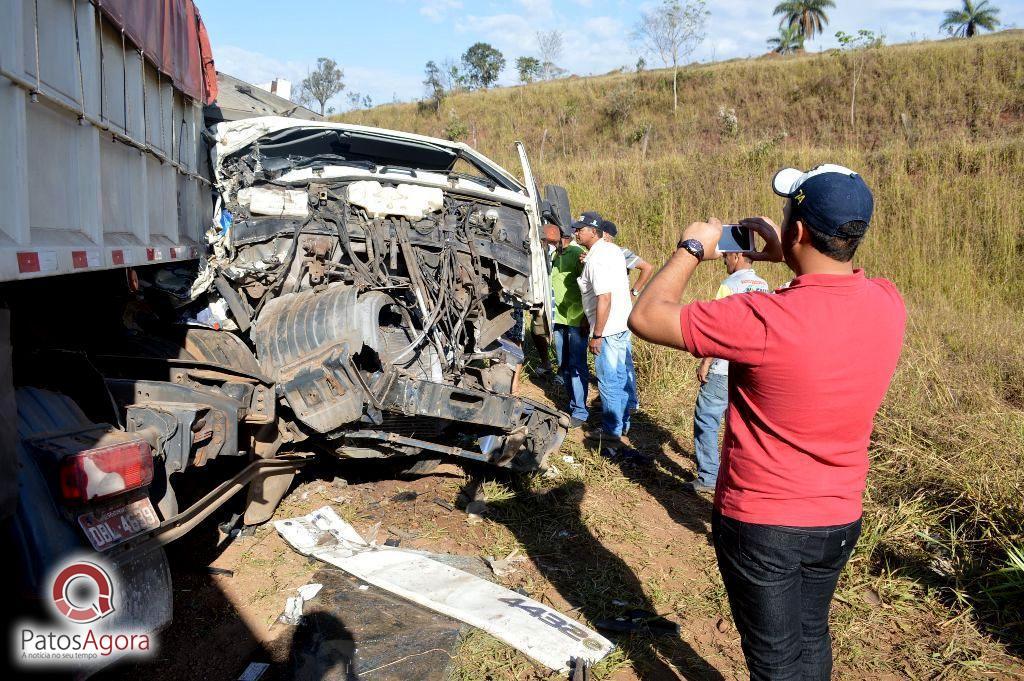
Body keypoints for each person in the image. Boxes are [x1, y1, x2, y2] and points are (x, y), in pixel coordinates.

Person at [628, 164, 906, 680]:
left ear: (796, 231)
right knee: (811, 636)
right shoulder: (888, 303)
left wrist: (692, 247)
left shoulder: (760, 318)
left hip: (764, 524)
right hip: (838, 518)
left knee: (775, 661)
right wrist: (790, 253)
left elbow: (646, 316)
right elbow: (828, 296)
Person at [689, 252, 769, 494]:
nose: (724, 261)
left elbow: (718, 327)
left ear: (736, 256)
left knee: (706, 419)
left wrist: (706, 362)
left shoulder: (729, 285)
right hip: (751, 368)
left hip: (725, 366)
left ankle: (709, 476)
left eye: (726, 257)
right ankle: (740, 477)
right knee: (740, 424)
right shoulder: (764, 286)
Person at [574, 213, 637, 444]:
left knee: (609, 381)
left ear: (594, 231)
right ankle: (622, 424)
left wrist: (597, 334)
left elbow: (604, 298)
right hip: (622, 323)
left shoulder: (597, 259)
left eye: (580, 229)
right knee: (620, 376)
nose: (576, 232)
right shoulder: (612, 250)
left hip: (607, 328)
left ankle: (611, 432)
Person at [549, 219, 590, 428]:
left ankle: (580, 411)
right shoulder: (554, 255)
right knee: (563, 363)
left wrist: (586, 317)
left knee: (576, 365)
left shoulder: (576, 254)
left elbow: (589, 287)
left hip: (576, 320)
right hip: (558, 318)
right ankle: (571, 402)